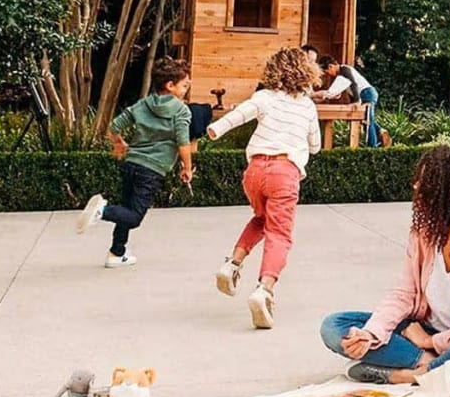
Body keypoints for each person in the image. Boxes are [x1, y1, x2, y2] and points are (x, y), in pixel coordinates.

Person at [320, 147, 450, 386]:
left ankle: (412, 374)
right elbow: (404, 294)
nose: (417, 188)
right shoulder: (424, 234)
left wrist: (431, 343)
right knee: (334, 327)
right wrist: (370, 334)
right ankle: (444, 368)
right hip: (422, 333)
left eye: (426, 184)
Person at [205, 47, 323, 329]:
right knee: (280, 234)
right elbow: (316, 145)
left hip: (255, 171)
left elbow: (238, 116)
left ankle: (232, 263)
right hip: (285, 172)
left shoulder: (264, 97)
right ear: (306, 74)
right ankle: (264, 290)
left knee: (262, 218)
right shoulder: (307, 107)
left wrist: (215, 130)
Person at [77, 59, 195, 268]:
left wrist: (119, 143)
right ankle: (101, 211)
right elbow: (183, 143)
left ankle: (116, 253)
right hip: (151, 170)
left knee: (126, 208)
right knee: (134, 217)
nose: (187, 88)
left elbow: (114, 126)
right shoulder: (181, 110)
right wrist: (186, 168)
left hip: (131, 164)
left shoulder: (143, 104)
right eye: (184, 84)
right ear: (170, 85)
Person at [314, 55, 382, 148]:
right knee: (367, 118)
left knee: (367, 121)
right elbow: (341, 90)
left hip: (367, 93)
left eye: (327, 72)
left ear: (331, 66)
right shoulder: (342, 72)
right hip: (365, 94)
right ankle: (381, 131)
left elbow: (354, 84)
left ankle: (373, 147)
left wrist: (357, 100)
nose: (329, 74)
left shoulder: (344, 70)